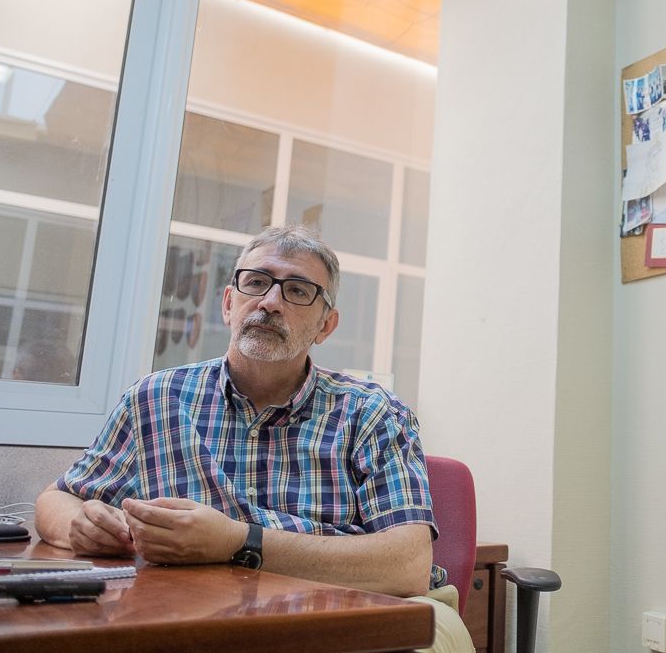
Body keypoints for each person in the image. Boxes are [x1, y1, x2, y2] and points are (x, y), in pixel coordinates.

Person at [34, 225, 472, 653]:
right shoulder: (155, 398)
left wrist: (238, 542)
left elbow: (407, 564)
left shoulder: (372, 412)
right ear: (229, 303)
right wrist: (82, 526)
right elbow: (55, 500)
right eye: (257, 282)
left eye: (298, 291)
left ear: (326, 325)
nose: (270, 302)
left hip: (360, 610)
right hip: (202, 611)